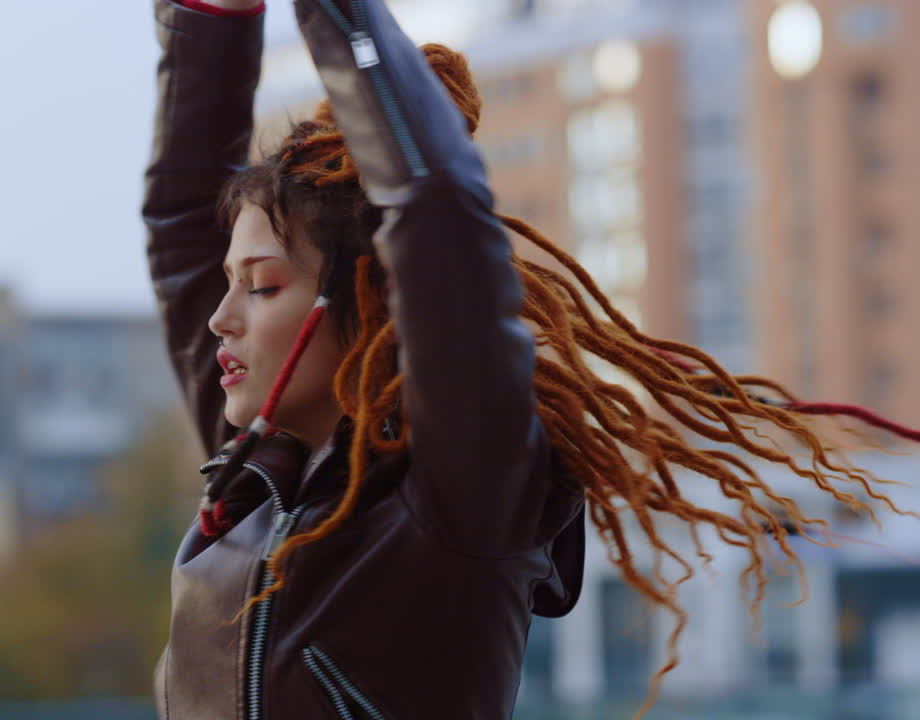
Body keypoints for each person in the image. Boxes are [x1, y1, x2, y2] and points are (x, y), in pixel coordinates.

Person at [142, 0, 919, 718]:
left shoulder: (459, 491)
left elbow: (437, 207)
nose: (219, 319)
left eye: (263, 286)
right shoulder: (251, 481)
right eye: (228, 284)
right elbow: (181, 222)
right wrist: (214, 17)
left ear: (374, 304)